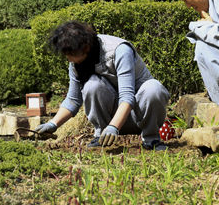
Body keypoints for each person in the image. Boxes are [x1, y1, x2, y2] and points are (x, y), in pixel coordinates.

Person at [35, 21, 170, 151]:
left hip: (138, 116)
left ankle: (151, 139)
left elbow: (127, 96)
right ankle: (101, 137)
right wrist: (53, 124)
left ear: (85, 47)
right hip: (111, 123)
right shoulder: (77, 63)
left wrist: (113, 127)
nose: (68, 58)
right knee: (92, 85)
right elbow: (73, 99)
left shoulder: (119, 50)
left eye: (70, 54)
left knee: (154, 88)